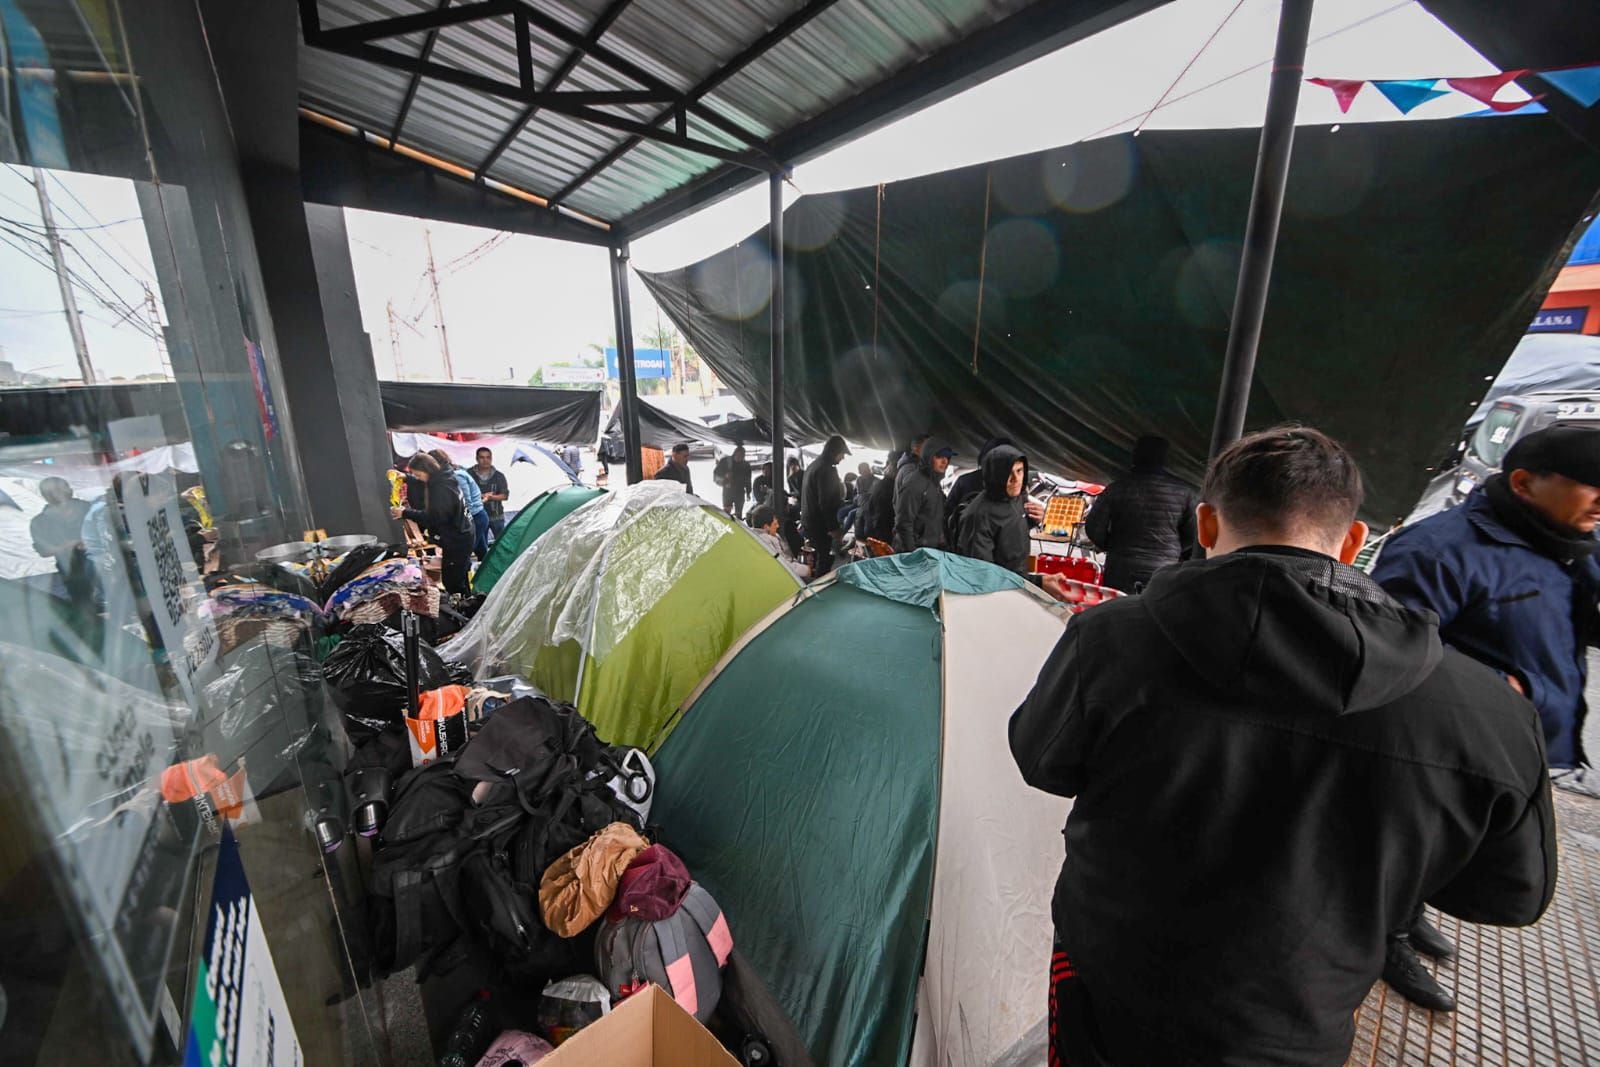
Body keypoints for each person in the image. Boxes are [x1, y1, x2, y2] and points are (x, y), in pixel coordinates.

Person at [1010, 425, 1554, 1067]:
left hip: (1106, 980)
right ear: (1353, 541)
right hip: (1298, 1017)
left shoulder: (1106, 639)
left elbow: (1043, 761)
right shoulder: (1487, 709)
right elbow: (1508, 894)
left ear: (1207, 526)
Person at [1371, 424, 1600, 1008]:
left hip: (1516, 743)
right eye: (1592, 486)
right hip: (1448, 743)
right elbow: (1385, 651)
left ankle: (1408, 911)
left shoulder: (1571, 549)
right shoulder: (1436, 551)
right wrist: (1498, 689)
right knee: (1415, 842)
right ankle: (1384, 935)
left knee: (1451, 846)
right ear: (1524, 483)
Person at [1083, 435, 1198, 593]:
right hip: (1163, 567)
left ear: (1135, 457)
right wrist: (1172, 550)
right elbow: (1193, 534)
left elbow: (1093, 528)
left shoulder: (1117, 488)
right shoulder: (1185, 492)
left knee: (1117, 611)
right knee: (1153, 614)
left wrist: (1114, 546)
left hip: (1121, 566)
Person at [394, 452, 474, 595]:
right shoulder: (444, 476)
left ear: (427, 470)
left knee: (452, 581)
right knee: (461, 575)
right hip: (464, 532)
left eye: (418, 474)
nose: (419, 478)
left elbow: (433, 517)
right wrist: (407, 478)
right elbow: (425, 481)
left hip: (458, 539)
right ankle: (467, 602)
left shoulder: (441, 489)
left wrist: (405, 513)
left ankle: (464, 609)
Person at [957, 444, 1044, 573]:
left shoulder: (1017, 496)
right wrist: (1039, 583)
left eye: (1019, 471)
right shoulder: (978, 517)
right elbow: (984, 574)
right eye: (1008, 474)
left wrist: (1033, 520)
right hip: (999, 588)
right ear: (996, 476)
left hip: (1020, 578)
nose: (1016, 479)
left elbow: (1007, 526)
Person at [30, 477, 93, 606]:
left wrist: (92, 543)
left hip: (106, 567)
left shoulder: (89, 509)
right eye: (51, 492)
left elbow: (111, 533)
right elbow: (44, 551)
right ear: (45, 495)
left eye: (59, 489)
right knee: (85, 609)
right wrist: (69, 546)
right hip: (73, 573)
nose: (58, 494)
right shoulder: (40, 522)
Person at [945, 436, 1012, 546]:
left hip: (991, 549)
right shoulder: (965, 482)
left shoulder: (1014, 487)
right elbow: (948, 515)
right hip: (973, 549)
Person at [893, 442, 954, 553]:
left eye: (947, 457)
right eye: (939, 456)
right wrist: (912, 553)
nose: (944, 461)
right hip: (914, 553)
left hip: (929, 550)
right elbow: (903, 523)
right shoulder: (914, 484)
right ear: (928, 457)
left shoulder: (934, 484)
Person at [802, 435, 850, 577]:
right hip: (819, 524)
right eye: (842, 454)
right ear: (835, 452)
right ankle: (820, 591)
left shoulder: (814, 465)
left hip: (809, 520)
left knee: (817, 559)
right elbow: (826, 503)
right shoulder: (827, 470)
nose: (843, 458)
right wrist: (834, 528)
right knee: (824, 562)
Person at [430, 449, 491, 561]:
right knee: (482, 552)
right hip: (478, 516)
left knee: (465, 553)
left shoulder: (458, 476)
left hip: (475, 517)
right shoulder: (454, 473)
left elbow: (466, 502)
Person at [748, 503, 810, 581]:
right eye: (775, 524)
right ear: (766, 527)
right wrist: (806, 570)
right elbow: (783, 565)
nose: (778, 526)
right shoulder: (766, 542)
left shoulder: (768, 537)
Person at [469, 447, 510, 540]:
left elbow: (505, 495)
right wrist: (480, 497)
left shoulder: (499, 476)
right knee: (480, 543)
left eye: (488, 457)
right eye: (482, 457)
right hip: (477, 515)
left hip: (496, 516)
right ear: (477, 459)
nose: (485, 460)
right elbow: (464, 493)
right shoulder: (469, 474)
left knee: (501, 542)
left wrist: (491, 497)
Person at [860, 451, 901, 545]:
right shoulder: (890, 488)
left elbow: (870, 507)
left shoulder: (879, 484)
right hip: (884, 530)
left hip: (876, 528)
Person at [718, 446, 753, 520]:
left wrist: (748, 492)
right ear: (734, 454)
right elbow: (717, 476)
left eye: (741, 457)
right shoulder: (725, 462)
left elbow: (748, 480)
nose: (739, 458)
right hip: (728, 491)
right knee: (726, 513)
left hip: (739, 492)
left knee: (739, 514)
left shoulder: (746, 465)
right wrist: (725, 477)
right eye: (738, 456)